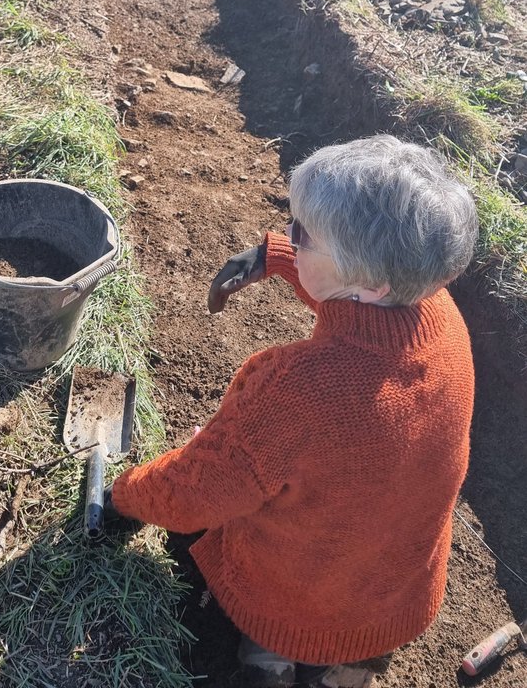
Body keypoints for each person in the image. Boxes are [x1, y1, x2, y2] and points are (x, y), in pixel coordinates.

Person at [105, 136, 477, 688]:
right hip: (399, 597)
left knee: (274, 592)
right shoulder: (438, 315)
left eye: (302, 235)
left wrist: (122, 496)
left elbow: (195, 494)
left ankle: (273, 646)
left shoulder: (298, 389)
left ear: (369, 278)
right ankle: (355, 658)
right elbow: (364, 309)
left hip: (300, 594)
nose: (291, 236)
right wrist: (275, 256)